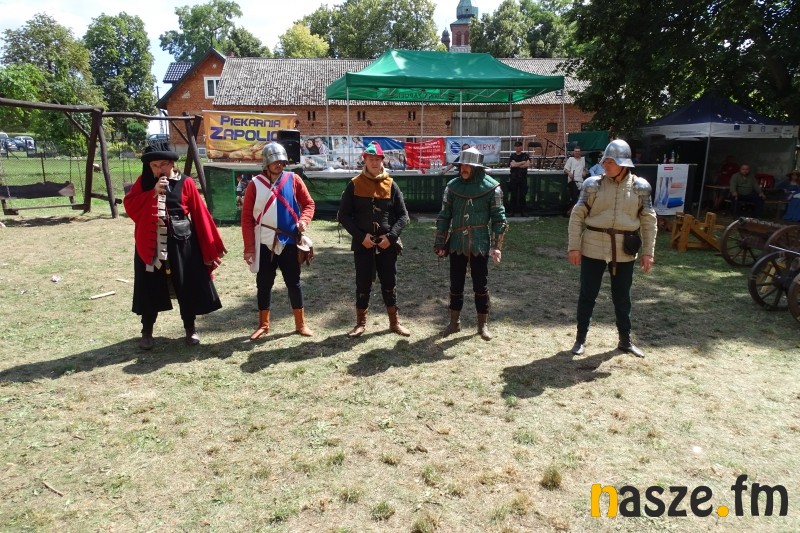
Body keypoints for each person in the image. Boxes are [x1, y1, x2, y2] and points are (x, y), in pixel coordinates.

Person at [123, 146, 227, 350]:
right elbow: (131, 206)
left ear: (171, 164)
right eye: (154, 165)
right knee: (149, 286)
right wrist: (153, 193)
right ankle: (147, 331)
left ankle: (190, 329)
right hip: (151, 243)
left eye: (163, 164)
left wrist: (209, 245)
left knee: (186, 285)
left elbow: (199, 213)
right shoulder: (143, 183)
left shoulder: (185, 182)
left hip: (182, 241)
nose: (159, 169)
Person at [567, 139, 657, 358]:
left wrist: (648, 252)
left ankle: (625, 340)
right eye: (605, 161)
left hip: (624, 249)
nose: (605, 165)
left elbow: (648, 221)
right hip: (593, 247)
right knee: (587, 295)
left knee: (622, 297)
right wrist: (574, 247)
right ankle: (580, 339)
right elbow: (577, 216)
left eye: (610, 162)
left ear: (623, 163)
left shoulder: (640, 187)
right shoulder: (592, 184)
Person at [241, 142, 316, 340]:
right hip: (264, 242)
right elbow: (247, 218)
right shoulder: (255, 184)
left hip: (289, 241)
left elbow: (308, 204)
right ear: (266, 162)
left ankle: (300, 324)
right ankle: (263, 325)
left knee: (294, 283)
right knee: (263, 284)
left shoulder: (293, 179)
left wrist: (304, 220)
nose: (279, 164)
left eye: (281, 161)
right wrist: (249, 248)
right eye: (275, 161)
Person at [337, 141, 411, 337]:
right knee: (363, 284)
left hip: (387, 245)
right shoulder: (354, 184)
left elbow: (403, 216)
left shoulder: (391, 184)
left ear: (382, 160)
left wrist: (391, 237)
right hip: (363, 244)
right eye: (371, 159)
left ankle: (394, 323)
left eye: (377, 159)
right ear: (365, 160)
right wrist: (361, 237)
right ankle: (360, 324)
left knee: (389, 283)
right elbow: (343, 215)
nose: (374, 162)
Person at [434, 147, 508, 341]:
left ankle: (482, 325)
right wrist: (440, 243)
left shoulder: (492, 188)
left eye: (468, 165)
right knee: (455, 284)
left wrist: (496, 246)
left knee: (480, 285)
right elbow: (444, 216)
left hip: (480, 242)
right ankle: (454, 323)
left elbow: (499, 219)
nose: (463, 169)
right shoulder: (452, 187)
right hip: (457, 243)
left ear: (477, 167)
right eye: (461, 165)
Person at [508, 140, 530, 217]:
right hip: (514, 178)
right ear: (515, 147)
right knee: (513, 195)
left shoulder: (525, 155)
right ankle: (511, 212)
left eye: (519, 146)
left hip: (523, 178)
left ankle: (523, 212)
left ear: (521, 147)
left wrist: (517, 164)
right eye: (516, 146)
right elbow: (512, 165)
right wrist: (522, 162)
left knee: (522, 195)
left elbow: (527, 165)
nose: (518, 148)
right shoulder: (512, 156)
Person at [564, 146, 588, 213]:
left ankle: (574, 212)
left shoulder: (583, 159)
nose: (577, 153)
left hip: (581, 181)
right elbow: (565, 169)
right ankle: (568, 211)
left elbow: (585, 169)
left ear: (580, 152)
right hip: (573, 181)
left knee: (582, 198)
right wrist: (569, 173)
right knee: (574, 197)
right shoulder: (571, 159)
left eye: (578, 151)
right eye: (576, 151)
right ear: (574, 152)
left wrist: (584, 172)